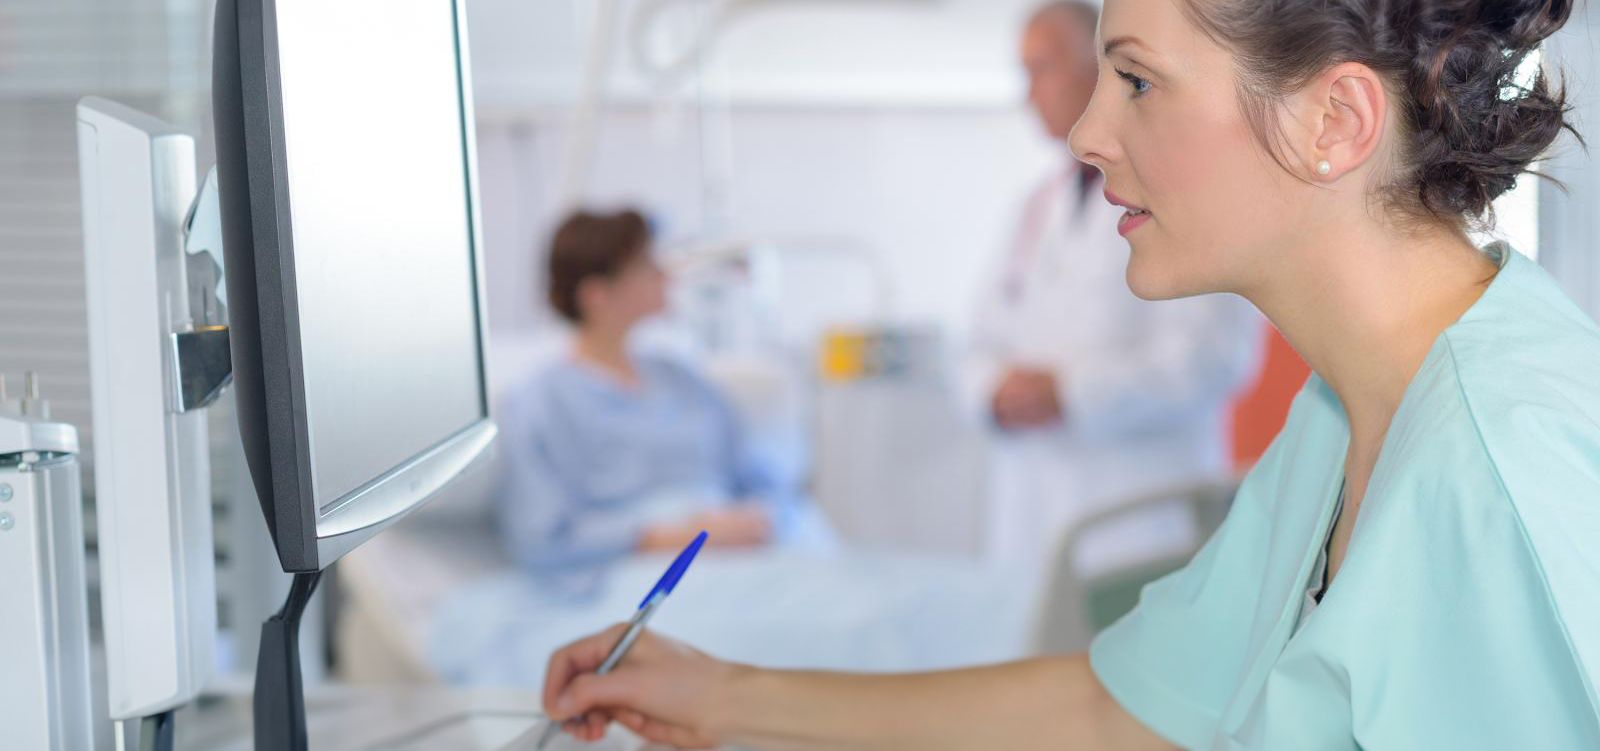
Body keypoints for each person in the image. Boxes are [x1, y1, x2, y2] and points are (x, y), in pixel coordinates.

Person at [535, 0, 1600, 748]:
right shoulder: (1342, 417)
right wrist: (725, 695)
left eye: (1135, 80)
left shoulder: (1498, 473)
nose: (1088, 133)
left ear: (1333, 121)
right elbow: (1125, 710)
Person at [966, 1, 1263, 568]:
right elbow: (977, 340)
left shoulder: (1191, 194)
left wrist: (1071, 394)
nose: (1028, 94)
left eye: (1042, 69)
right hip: (1035, 515)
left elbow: (1215, 358)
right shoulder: (1033, 209)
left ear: (1102, 68)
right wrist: (991, 392)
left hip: (1141, 522)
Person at [495, 210, 805, 574]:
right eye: (645, 264)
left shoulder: (681, 377)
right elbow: (540, 539)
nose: (664, 274)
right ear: (596, 294)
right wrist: (671, 535)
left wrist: (758, 516)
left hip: (745, 553)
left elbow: (759, 477)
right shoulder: (540, 403)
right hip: (642, 572)